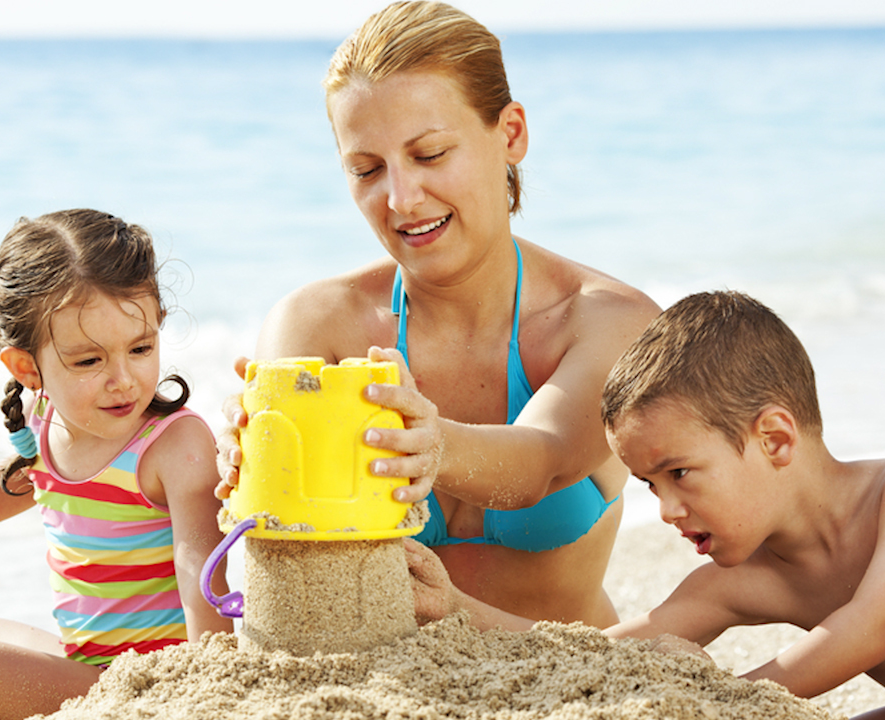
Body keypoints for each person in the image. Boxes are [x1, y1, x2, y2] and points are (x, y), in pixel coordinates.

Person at [407, 290, 885, 719]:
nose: (668, 509)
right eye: (651, 485)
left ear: (773, 438)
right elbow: (621, 650)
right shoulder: (742, 578)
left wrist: (725, 703)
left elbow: (876, 625)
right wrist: (459, 609)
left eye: (681, 472)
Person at [217, 1, 659, 628]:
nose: (399, 198)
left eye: (429, 155)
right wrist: (255, 472)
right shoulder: (317, 328)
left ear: (510, 134)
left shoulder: (610, 323)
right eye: (366, 169)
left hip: (569, 678)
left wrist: (431, 445)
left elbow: (540, 464)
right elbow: (288, 579)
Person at [0, 209, 232, 720]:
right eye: (89, 361)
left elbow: (199, 566)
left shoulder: (174, 445)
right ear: (27, 368)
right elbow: (25, 478)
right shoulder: (46, 416)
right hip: (92, 665)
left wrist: (214, 686)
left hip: (155, 680)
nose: (123, 379)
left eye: (140, 347)